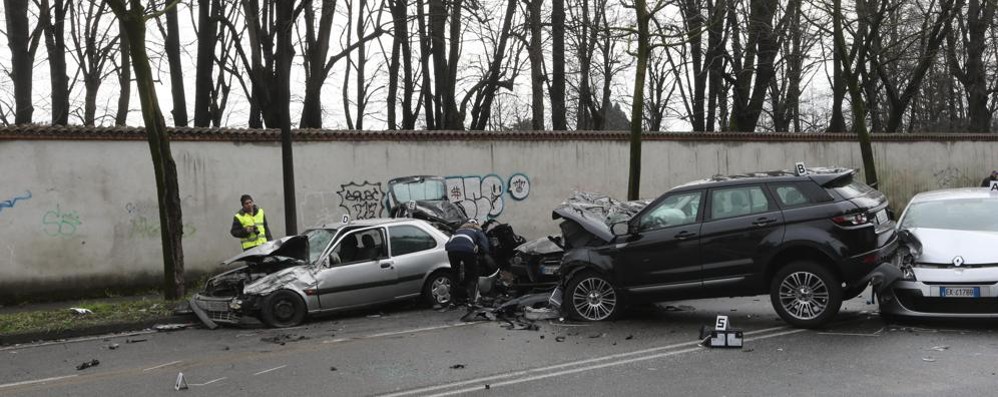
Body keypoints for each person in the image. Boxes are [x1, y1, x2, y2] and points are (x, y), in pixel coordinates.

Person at [444, 220, 491, 307]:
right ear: (476, 224)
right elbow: (485, 247)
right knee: (473, 274)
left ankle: (453, 301)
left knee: (455, 275)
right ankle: (472, 300)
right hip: (467, 250)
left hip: (451, 250)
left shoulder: (458, 231)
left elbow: (447, 244)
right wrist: (483, 253)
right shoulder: (477, 231)